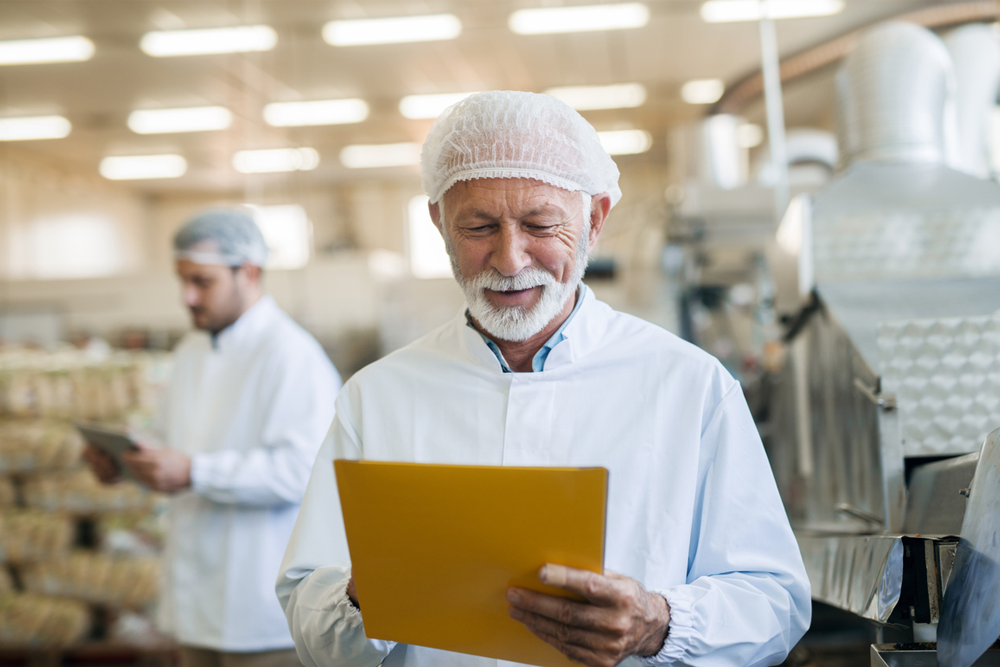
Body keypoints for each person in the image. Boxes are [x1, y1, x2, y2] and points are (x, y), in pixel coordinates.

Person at [276, 91, 810, 667]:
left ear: (595, 219)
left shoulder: (689, 386)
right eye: (478, 226)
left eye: (539, 224)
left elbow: (772, 602)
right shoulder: (377, 398)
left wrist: (657, 623)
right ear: (438, 223)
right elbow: (311, 622)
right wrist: (365, 591)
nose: (509, 259)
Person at [83, 208, 341, 667]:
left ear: (250, 273)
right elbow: (170, 442)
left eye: (202, 281)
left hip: (263, 615)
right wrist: (128, 462)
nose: (187, 296)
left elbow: (305, 472)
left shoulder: (291, 355)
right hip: (195, 606)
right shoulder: (192, 350)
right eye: (182, 280)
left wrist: (196, 471)